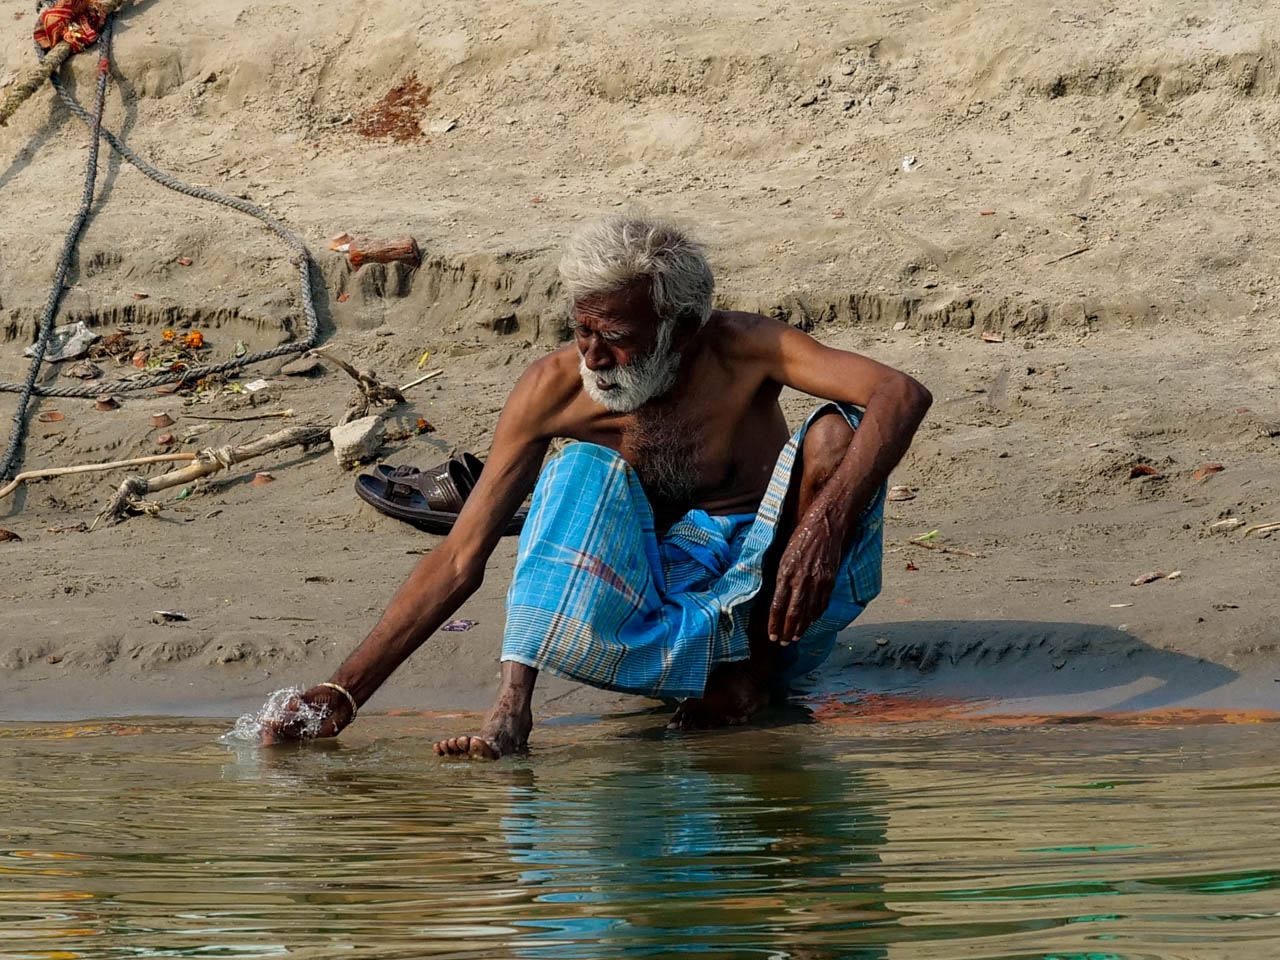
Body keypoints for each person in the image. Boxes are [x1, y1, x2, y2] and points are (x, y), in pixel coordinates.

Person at [265, 213, 931, 757]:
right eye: (581, 331)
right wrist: (342, 693)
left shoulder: (743, 347)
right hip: (650, 621)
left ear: (685, 330)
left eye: (614, 338)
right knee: (575, 471)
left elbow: (899, 392)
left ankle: (747, 680)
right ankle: (511, 711)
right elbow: (462, 556)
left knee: (837, 438)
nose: (592, 357)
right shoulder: (552, 390)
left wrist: (825, 524)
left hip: (781, 612)